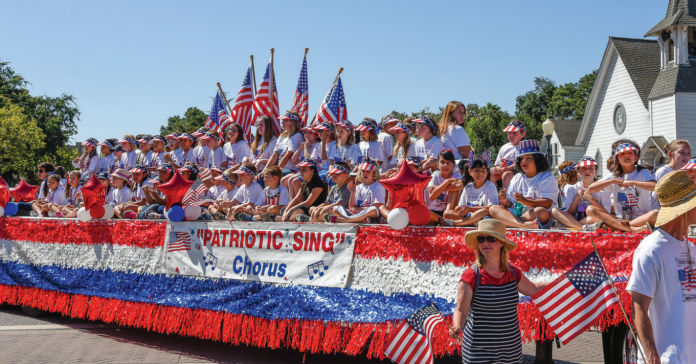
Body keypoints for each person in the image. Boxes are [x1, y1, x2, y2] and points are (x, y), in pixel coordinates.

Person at [450, 219, 549, 363]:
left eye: (491, 238)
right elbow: (461, 311)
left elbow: (533, 289)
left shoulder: (513, 273)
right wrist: (457, 326)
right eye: (481, 239)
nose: (485, 243)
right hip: (479, 352)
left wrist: (562, 283)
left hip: (511, 351)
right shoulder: (472, 275)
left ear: (502, 243)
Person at [627, 170, 696, 364]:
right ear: (684, 208)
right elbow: (638, 305)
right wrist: (651, 355)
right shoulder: (651, 249)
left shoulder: (691, 248)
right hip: (665, 359)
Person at [586, 140, 658, 233]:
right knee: (590, 210)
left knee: (655, 214)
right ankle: (631, 229)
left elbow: (654, 186)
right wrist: (612, 181)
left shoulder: (642, 171)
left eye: (630, 152)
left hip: (641, 218)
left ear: (636, 158)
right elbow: (591, 189)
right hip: (619, 220)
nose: (626, 155)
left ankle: (618, 227)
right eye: (622, 153)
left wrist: (633, 182)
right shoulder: (614, 175)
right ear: (617, 159)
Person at [489, 140, 558, 229]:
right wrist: (505, 201)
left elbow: (547, 203)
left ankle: (511, 223)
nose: (524, 161)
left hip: (536, 216)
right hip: (519, 216)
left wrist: (525, 201)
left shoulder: (546, 177)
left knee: (540, 211)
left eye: (528, 158)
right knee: (493, 208)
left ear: (538, 160)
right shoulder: (517, 177)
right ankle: (522, 225)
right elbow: (510, 203)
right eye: (521, 158)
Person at [550, 158, 612, 231]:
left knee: (593, 217)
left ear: (596, 172)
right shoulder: (572, 188)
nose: (587, 170)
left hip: (594, 219)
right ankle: (583, 227)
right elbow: (571, 213)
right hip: (578, 218)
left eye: (591, 168)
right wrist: (576, 198)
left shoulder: (603, 189)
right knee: (553, 210)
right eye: (583, 168)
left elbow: (606, 214)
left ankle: (574, 225)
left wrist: (591, 199)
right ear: (578, 171)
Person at [442, 152, 498, 227]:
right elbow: (462, 206)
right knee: (447, 213)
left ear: (487, 172)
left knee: (483, 211)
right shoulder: (467, 187)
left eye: (483, 170)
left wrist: (471, 209)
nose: (480, 173)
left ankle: (456, 223)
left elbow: (491, 208)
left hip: (481, 216)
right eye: (476, 170)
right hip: (468, 217)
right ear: (470, 172)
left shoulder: (490, 186)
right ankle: (471, 223)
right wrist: (459, 209)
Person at [326, 158, 387, 223]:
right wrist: (352, 193)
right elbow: (351, 207)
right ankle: (361, 220)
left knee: (374, 210)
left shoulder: (378, 187)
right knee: (336, 209)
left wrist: (359, 209)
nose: (365, 173)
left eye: (368, 171)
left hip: (368, 212)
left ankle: (346, 220)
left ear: (374, 172)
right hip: (357, 213)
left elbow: (377, 207)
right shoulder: (358, 187)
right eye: (363, 171)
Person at [267, 158, 327, 222]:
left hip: (313, 210)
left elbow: (308, 202)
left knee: (297, 210)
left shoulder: (318, 184)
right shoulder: (305, 183)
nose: (301, 172)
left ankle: (280, 218)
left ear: (312, 171)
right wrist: (287, 210)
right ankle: (288, 218)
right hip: (305, 209)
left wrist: (291, 209)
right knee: (283, 210)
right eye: (300, 169)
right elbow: (296, 199)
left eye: (304, 170)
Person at [427, 150, 463, 225]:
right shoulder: (435, 175)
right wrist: (446, 182)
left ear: (454, 164)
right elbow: (431, 197)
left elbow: (460, 186)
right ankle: (441, 220)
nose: (445, 165)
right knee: (421, 212)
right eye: (442, 162)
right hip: (434, 211)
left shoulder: (457, 175)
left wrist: (436, 187)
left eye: (448, 162)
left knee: (455, 189)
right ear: (437, 165)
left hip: (449, 211)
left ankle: (446, 218)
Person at [490, 120, 526, 189]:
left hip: (520, 173)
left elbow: (520, 165)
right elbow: (497, 165)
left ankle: (506, 197)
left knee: (506, 175)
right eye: (509, 132)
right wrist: (497, 168)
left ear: (523, 134)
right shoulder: (504, 147)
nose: (511, 135)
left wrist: (504, 169)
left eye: (515, 132)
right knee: (492, 174)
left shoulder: (525, 146)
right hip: (506, 171)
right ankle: (494, 195)